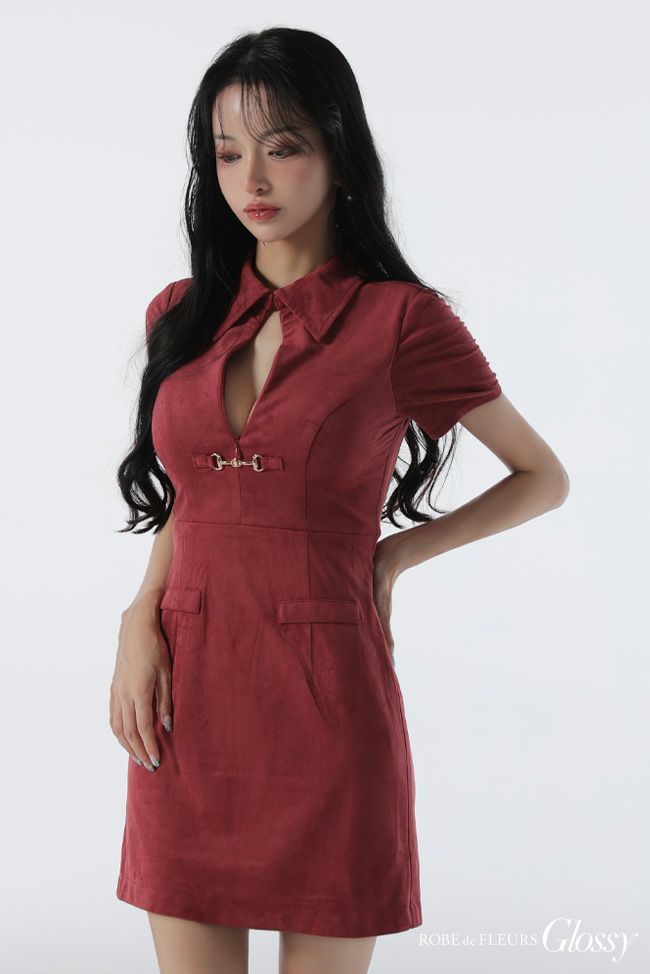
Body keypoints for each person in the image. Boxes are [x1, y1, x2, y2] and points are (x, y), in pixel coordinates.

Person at [109, 27, 570, 974]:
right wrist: (138, 615)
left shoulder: (402, 321)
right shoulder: (179, 315)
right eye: (227, 153)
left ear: (338, 151)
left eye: (282, 147)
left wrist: (396, 554)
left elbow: (542, 476)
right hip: (186, 696)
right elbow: (194, 494)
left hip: (327, 702)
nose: (251, 179)